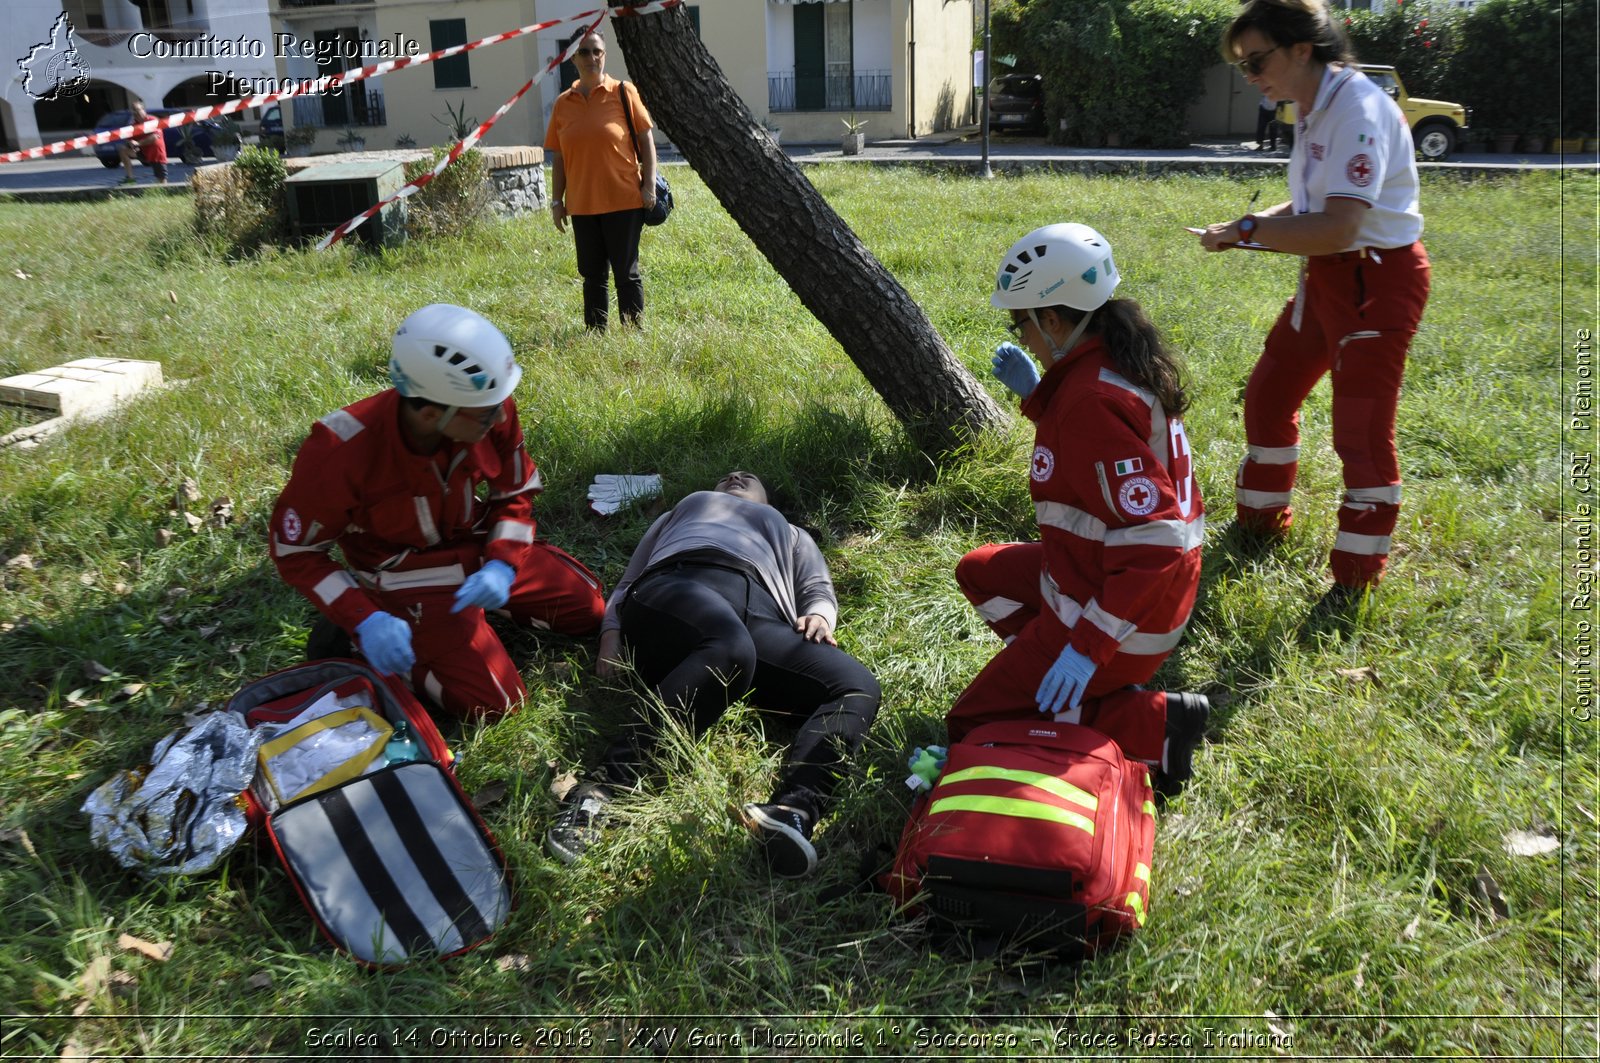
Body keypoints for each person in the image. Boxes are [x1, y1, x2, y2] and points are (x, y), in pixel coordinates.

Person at [948, 223, 1209, 794]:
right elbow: (1096, 457)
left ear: (1055, 321)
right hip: (1104, 577)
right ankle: (1060, 685)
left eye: (1023, 321)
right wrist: (1040, 394)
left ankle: (1149, 722)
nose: (1024, 334)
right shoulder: (1107, 364)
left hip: (1124, 605)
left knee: (971, 723)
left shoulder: (1088, 400)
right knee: (978, 570)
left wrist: (1085, 651)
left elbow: (1156, 540)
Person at [269, 303, 605, 720]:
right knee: (498, 706)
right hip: (404, 575)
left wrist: (502, 564)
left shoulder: (486, 406)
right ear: (430, 412)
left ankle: (477, 611)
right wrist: (363, 618)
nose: (501, 416)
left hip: (475, 541)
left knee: (589, 612)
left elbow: (514, 491)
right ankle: (365, 640)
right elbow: (297, 554)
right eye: (486, 413)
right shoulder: (340, 454)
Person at [1198, 0, 1430, 596]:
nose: (1250, 77)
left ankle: (1354, 584)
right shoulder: (1312, 104)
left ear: (1303, 48)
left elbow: (1341, 226)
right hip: (1328, 276)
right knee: (1269, 394)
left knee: (1360, 432)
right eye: (1243, 67)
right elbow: (1311, 211)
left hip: (1374, 282)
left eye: (1257, 61)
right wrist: (1242, 226)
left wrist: (1251, 231)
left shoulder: (1355, 110)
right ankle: (1258, 527)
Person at [547, 471, 881, 877]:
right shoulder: (685, 507)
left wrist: (819, 616)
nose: (736, 476)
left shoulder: (790, 533)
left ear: (769, 501)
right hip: (677, 585)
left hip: (763, 613)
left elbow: (818, 588)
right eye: (728, 476)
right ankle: (601, 788)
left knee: (856, 686)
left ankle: (794, 809)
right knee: (730, 648)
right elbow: (630, 579)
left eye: (750, 477)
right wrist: (611, 632)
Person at [543, 30, 659, 331]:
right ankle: (596, 333)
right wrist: (558, 201)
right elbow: (559, 158)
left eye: (597, 51)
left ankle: (633, 332)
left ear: (604, 55)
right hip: (582, 205)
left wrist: (649, 185)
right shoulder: (562, 104)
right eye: (584, 52)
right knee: (592, 274)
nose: (592, 57)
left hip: (624, 199)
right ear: (572, 57)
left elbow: (647, 140)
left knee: (626, 272)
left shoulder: (623, 92)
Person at [117, 99, 167, 186]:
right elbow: (129, 140)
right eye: (133, 110)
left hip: (156, 154)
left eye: (137, 110)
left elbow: (154, 137)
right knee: (123, 150)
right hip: (143, 153)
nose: (135, 112)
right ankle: (130, 178)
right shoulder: (134, 125)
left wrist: (138, 143)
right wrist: (130, 143)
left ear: (143, 110)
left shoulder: (152, 120)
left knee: (162, 182)